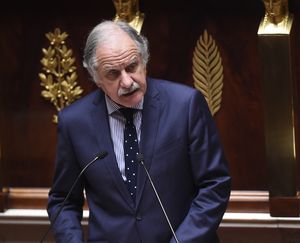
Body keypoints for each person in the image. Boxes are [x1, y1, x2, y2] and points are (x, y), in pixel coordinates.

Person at [47, 20, 231, 243]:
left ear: (144, 61)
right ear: (96, 78)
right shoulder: (74, 122)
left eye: (132, 67)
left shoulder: (186, 105)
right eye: (113, 74)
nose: (126, 81)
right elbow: (63, 200)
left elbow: (214, 185)